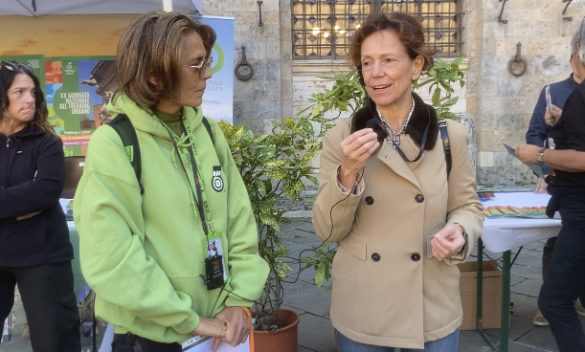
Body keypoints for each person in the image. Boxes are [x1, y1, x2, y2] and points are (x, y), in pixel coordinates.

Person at [73, 11, 269, 352]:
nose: (208, 73)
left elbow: (239, 220)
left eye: (206, 61)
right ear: (154, 75)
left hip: (221, 333)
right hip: (152, 339)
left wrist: (238, 300)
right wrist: (189, 320)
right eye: (196, 65)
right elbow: (113, 257)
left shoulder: (207, 132)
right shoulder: (115, 143)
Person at [311, 12, 484, 352]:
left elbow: (468, 207)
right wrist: (347, 173)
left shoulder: (451, 137)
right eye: (366, 63)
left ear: (416, 66)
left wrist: (460, 231)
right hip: (365, 310)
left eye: (389, 60)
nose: (375, 73)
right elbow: (327, 230)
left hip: (431, 307)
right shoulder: (340, 139)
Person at [0, 61, 81, 351]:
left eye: (32, 92)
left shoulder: (48, 143)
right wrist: (20, 204)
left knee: (55, 340)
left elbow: (44, 193)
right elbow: (31, 195)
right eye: (19, 92)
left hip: (43, 255)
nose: (30, 99)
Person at [525, 28, 585, 327]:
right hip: (560, 184)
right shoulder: (552, 91)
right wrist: (545, 172)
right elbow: (535, 136)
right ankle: (553, 301)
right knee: (555, 242)